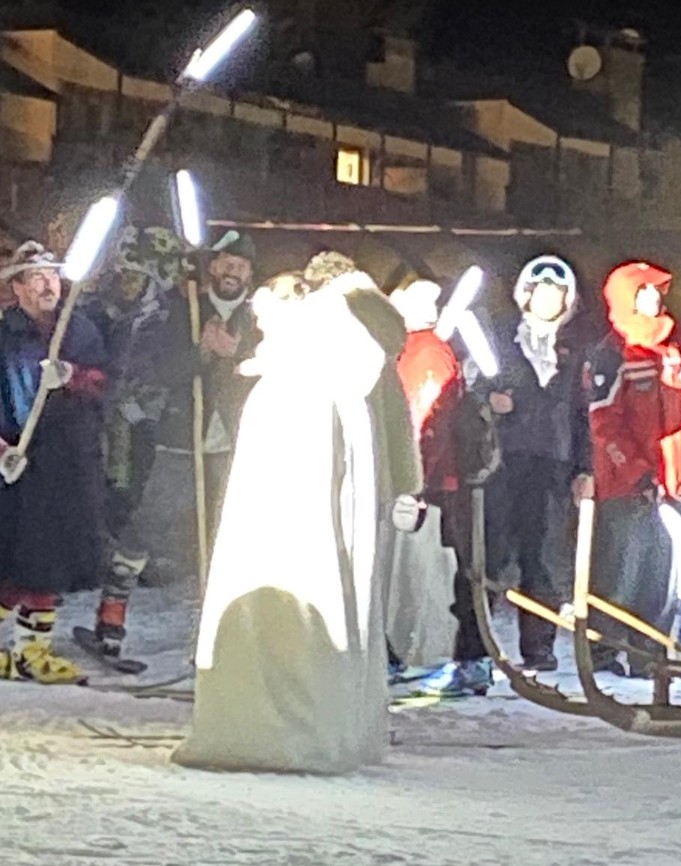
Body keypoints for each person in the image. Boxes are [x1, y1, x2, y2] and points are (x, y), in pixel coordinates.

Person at [173, 253, 421, 774]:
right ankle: (323, 724)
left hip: (286, 549)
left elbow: (281, 486)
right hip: (309, 535)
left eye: (266, 318)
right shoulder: (334, 377)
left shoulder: (302, 386)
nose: (259, 329)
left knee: (288, 629)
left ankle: (274, 727)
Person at [585, 261, 681, 674]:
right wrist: (637, 472)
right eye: (645, 292)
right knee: (621, 571)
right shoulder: (611, 352)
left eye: (658, 292)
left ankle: (648, 655)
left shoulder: (672, 350)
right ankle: (601, 652)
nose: (656, 299)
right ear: (627, 298)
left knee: (662, 575)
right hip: (629, 486)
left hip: (672, 485)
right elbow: (604, 423)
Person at [475, 255, 593, 673]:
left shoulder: (576, 352)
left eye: (556, 294)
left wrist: (585, 468)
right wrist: (489, 401)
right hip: (504, 462)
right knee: (492, 553)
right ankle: (475, 649)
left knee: (544, 558)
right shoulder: (500, 341)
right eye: (540, 292)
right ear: (526, 294)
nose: (547, 300)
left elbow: (584, 414)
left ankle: (539, 649)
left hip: (552, 463)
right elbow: (472, 388)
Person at [75, 226, 186, 661]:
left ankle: (113, 616)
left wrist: (145, 404)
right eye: (122, 275)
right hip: (92, 428)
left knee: (134, 525)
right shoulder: (93, 312)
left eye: (135, 277)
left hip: (142, 435)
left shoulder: (168, 317)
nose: (127, 285)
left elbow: (176, 368)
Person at [0, 241, 108, 683]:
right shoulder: (4, 337)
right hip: (19, 463)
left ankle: (32, 652)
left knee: (53, 560)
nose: (49, 284)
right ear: (18, 288)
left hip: (68, 461)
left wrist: (72, 375)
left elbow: (106, 381)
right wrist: (2, 451)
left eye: (52, 275)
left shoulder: (78, 329)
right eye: (37, 277)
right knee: (15, 560)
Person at [166, 230, 261, 546]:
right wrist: (202, 352)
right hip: (184, 433)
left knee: (229, 516)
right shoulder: (186, 308)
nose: (233, 271)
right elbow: (161, 370)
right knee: (171, 520)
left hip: (235, 434)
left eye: (241, 266)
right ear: (214, 268)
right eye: (227, 263)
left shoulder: (259, 318)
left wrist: (237, 358)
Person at [385, 279, 461, 670]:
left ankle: (426, 652)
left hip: (426, 486)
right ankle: (416, 649)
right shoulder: (420, 351)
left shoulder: (424, 354)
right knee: (417, 571)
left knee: (423, 572)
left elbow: (423, 421)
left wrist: (412, 480)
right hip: (426, 481)